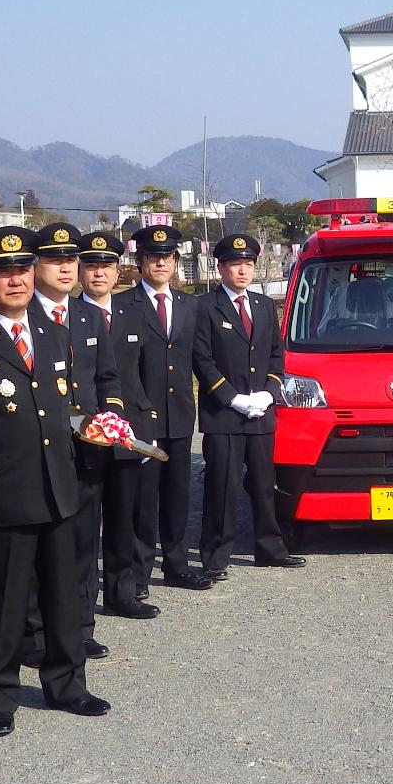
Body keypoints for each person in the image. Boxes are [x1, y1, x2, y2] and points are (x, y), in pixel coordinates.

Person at [0, 225, 109, 738]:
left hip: (60, 483)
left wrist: (98, 430)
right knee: (2, 599)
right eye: (2, 271)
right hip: (2, 490)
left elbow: (67, 406)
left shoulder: (55, 332)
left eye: (21, 269)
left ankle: (67, 683)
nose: (15, 280)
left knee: (64, 594)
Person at [27, 221, 136, 668]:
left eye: (72, 259)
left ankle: (80, 627)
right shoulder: (24, 313)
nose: (67, 268)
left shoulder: (88, 314)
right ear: (35, 266)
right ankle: (35, 633)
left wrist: (109, 414)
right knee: (42, 546)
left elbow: (107, 377)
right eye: (56, 260)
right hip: (43, 449)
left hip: (88, 449)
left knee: (83, 542)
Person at [193, 233, 303, 575]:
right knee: (222, 486)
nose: (243, 271)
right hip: (224, 414)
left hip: (260, 412)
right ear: (221, 267)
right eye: (235, 264)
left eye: (249, 264)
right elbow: (202, 358)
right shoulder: (204, 307)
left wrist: (269, 392)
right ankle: (215, 556)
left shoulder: (263, 305)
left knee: (263, 483)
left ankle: (270, 547)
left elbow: (275, 354)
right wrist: (232, 398)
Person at [110, 224, 212, 590]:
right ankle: (137, 572)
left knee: (177, 493)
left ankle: (177, 563)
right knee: (143, 498)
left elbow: (199, 357)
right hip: (142, 417)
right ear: (139, 262)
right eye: (152, 257)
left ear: (175, 262)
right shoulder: (123, 304)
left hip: (181, 413)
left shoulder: (190, 305)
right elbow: (120, 366)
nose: (160, 263)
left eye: (167, 257)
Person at [75, 230, 158, 619]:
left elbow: (149, 373)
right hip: (86, 430)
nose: (98, 274)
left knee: (125, 516)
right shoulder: (67, 315)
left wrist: (147, 423)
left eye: (106, 266)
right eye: (90, 266)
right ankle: (82, 602)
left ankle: (123, 592)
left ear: (118, 271)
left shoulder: (136, 314)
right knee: (86, 523)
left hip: (130, 429)